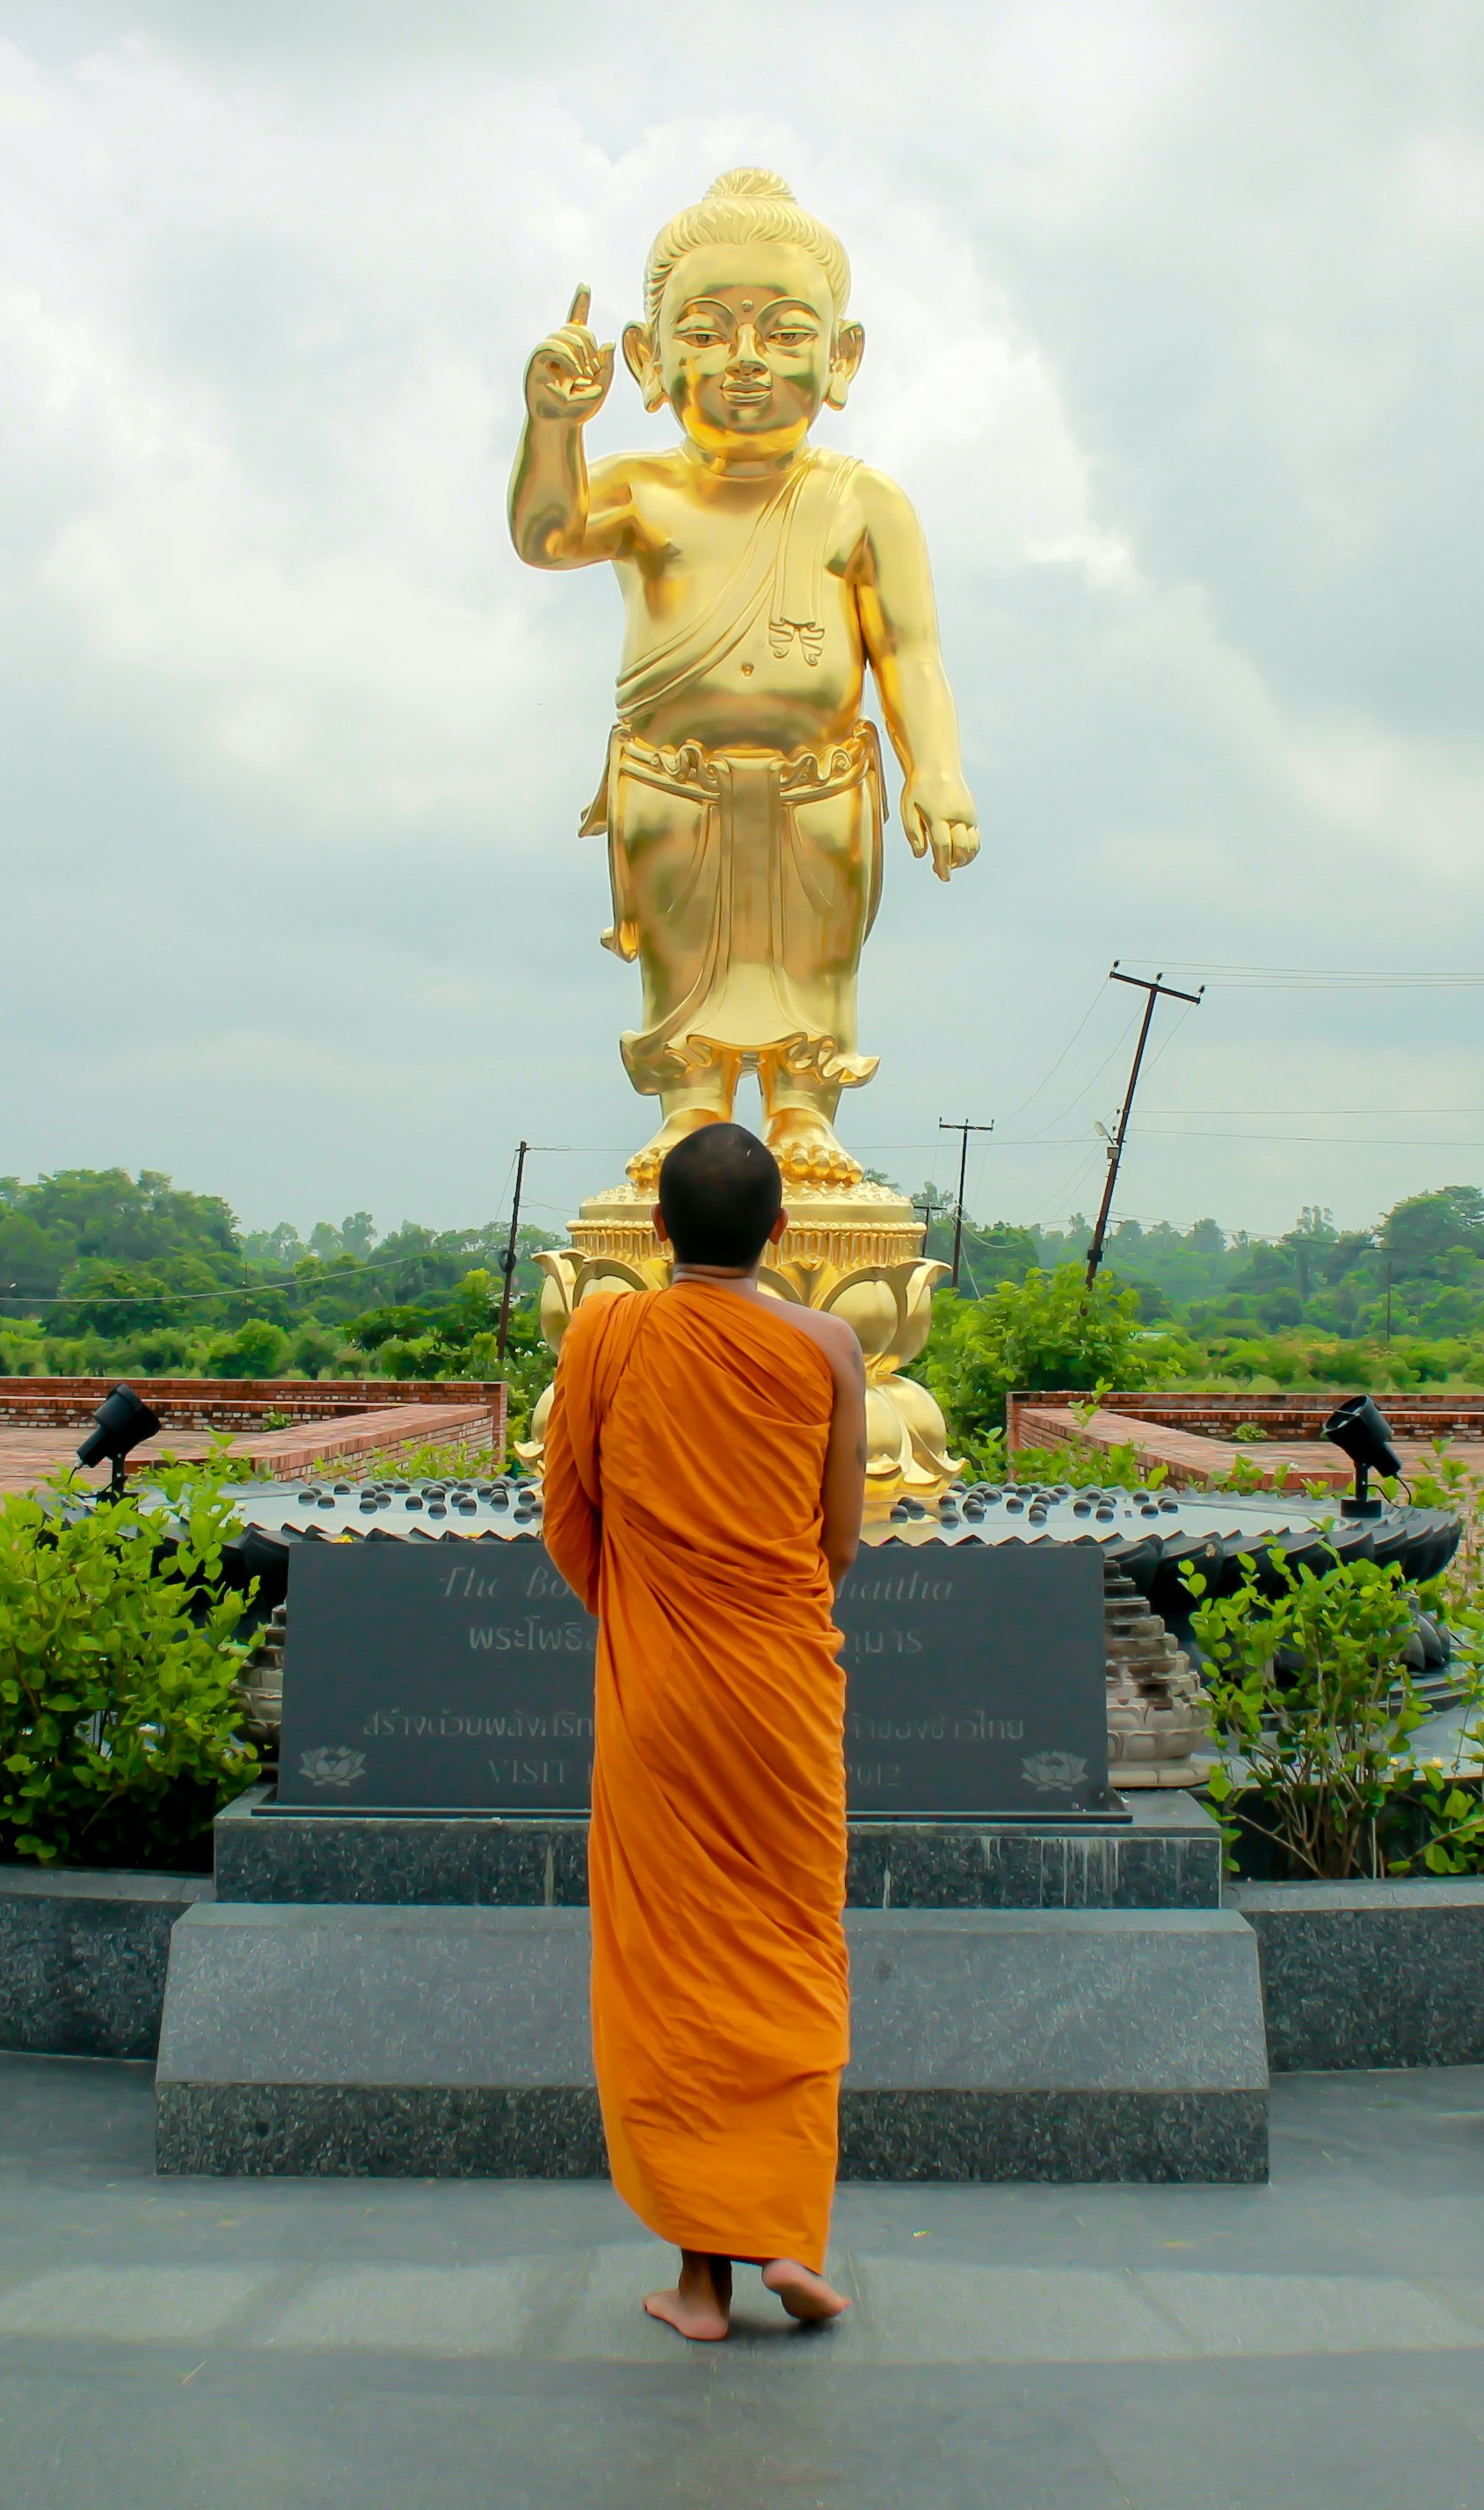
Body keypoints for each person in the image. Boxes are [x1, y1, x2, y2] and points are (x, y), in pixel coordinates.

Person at [507, 169, 982, 1193]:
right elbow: (545, 536)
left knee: (817, 954)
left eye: (785, 332)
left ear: (844, 356)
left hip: (820, 783)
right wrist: (555, 424)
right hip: (670, 780)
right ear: (647, 355)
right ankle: (691, 1103)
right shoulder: (642, 486)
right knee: (680, 949)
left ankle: (805, 1104)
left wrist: (933, 769)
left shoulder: (863, 499)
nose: (747, 361)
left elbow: (909, 650)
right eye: (709, 330)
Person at [537, 1118, 868, 2341]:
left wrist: (651, 1614)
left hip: (662, 1697)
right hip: (782, 1692)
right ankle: (786, 2236)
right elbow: (833, 1545)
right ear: (783, 1230)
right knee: (786, 1946)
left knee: (675, 1968)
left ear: (658, 1230)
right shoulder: (831, 1343)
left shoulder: (607, 1332)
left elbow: (569, 1517)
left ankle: (701, 2286)